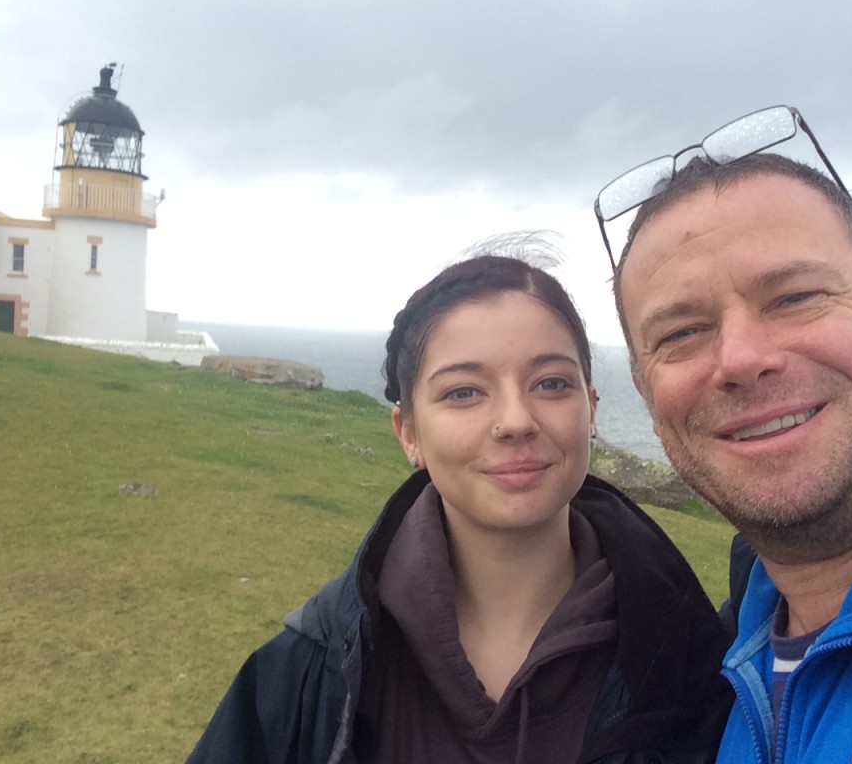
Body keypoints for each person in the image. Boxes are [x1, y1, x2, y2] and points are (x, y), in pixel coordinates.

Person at [184, 246, 733, 764]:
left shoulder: (695, 667)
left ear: (591, 409)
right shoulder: (307, 672)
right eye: (464, 392)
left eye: (550, 382)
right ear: (408, 433)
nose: (516, 420)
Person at [595, 105, 852, 763]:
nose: (741, 359)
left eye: (794, 297)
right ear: (645, 389)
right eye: (682, 333)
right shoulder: (693, 681)